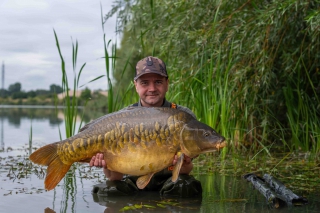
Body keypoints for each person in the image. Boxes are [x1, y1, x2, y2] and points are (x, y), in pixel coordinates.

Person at [90, 56, 202, 197]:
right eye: (144, 83)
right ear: (136, 85)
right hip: (131, 181)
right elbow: (114, 178)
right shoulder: (121, 119)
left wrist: (184, 164)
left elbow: (186, 170)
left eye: (158, 82)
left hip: (168, 182)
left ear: (167, 83)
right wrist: (107, 163)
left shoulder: (183, 117)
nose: (152, 89)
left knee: (187, 186)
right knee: (106, 192)